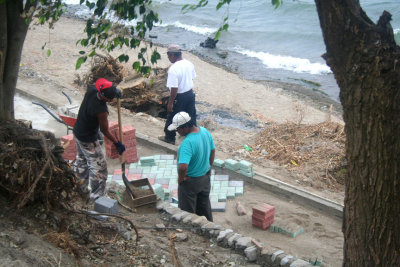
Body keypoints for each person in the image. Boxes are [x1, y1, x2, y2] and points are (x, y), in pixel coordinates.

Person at [73, 78, 126, 201]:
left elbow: (98, 85)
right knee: (99, 168)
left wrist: (114, 90)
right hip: (87, 139)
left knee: (82, 161)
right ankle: (98, 197)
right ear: (106, 98)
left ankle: (80, 189)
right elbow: (104, 130)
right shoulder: (101, 110)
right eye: (110, 98)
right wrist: (117, 143)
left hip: (77, 132)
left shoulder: (92, 89)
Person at [169, 111, 215, 222]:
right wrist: (209, 167)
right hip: (204, 179)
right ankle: (210, 228)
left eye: (177, 129)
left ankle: (190, 233)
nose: (177, 132)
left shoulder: (187, 143)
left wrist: (181, 179)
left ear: (185, 127)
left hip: (190, 183)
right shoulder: (204, 132)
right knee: (204, 208)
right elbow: (212, 151)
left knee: (187, 214)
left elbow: (183, 167)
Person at [158, 44, 197, 145]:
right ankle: (193, 138)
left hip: (179, 97)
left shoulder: (173, 69)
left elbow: (174, 88)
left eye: (168, 56)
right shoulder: (189, 63)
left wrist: (170, 103)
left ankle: (170, 138)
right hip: (190, 94)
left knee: (172, 118)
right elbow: (192, 77)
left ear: (172, 55)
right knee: (191, 116)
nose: (168, 58)